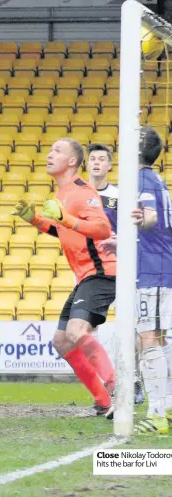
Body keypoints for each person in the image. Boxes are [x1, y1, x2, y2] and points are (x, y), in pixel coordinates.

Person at [12, 138, 116, 417]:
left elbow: (103, 229)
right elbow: (65, 232)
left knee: (76, 332)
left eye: (57, 150)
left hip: (101, 272)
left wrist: (67, 219)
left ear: (72, 161)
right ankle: (104, 400)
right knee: (61, 340)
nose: (49, 154)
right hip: (85, 276)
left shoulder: (82, 190)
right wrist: (35, 219)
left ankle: (118, 387)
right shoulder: (62, 195)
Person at [101, 128, 172, 434]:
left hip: (152, 272)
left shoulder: (142, 178)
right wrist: (127, 241)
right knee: (161, 340)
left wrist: (140, 221)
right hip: (160, 266)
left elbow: (150, 217)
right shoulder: (156, 179)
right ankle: (165, 407)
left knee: (149, 339)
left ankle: (157, 413)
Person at [87, 143, 145, 406]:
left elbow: (133, 230)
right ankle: (107, 387)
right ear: (86, 164)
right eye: (92, 159)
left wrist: (118, 240)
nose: (97, 162)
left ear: (110, 165)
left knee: (126, 329)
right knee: (87, 331)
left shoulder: (119, 196)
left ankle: (131, 382)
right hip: (88, 269)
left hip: (120, 268)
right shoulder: (78, 194)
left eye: (102, 159)